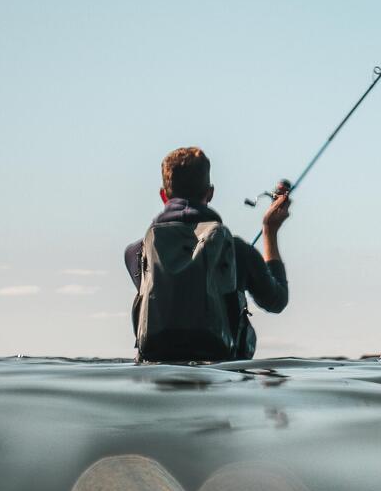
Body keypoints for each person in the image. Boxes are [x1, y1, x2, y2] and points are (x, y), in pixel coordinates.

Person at [124, 147, 289, 361]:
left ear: (164, 195)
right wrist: (270, 231)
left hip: (156, 372)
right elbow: (276, 301)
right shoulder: (238, 251)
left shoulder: (136, 253)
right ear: (210, 193)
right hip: (220, 372)